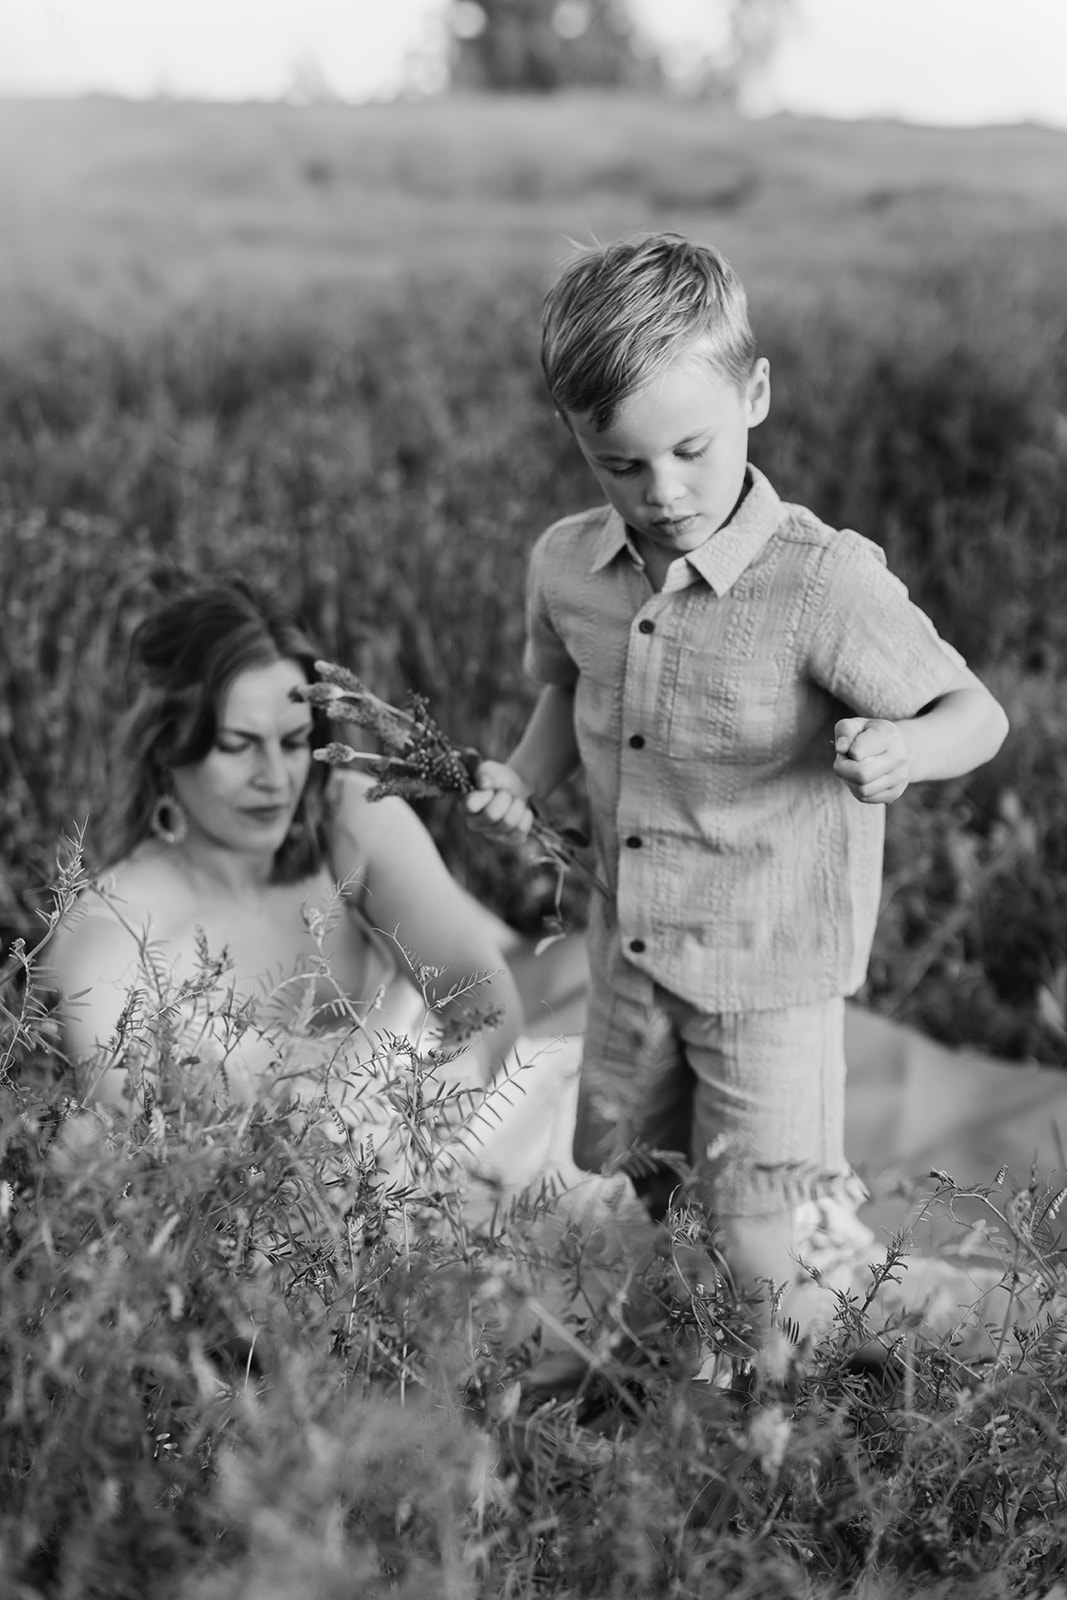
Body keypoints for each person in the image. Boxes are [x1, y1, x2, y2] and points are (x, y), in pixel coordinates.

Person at [466, 232, 1010, 1345]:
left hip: (768, 966)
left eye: (689, 450)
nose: (660, 492)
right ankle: (686, 1347)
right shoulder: (567, 566)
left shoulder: (820, 584)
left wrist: (907, 751)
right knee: (650, 1174)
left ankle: (770, 1401)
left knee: (759, 1215)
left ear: (753, 394)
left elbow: (975, 714)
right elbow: (569, 691)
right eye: (619, 464)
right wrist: (521, 778)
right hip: (631, 951)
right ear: (574, 438)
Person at [48, 573, 577, 1113]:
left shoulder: (350, 822)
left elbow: (482, 999)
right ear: (168, 747)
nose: (276, 777)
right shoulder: (113, 938)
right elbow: (128, 1145)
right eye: (239, 746)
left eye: (295, 741)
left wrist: (422, 1132)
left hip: (456, 1130)